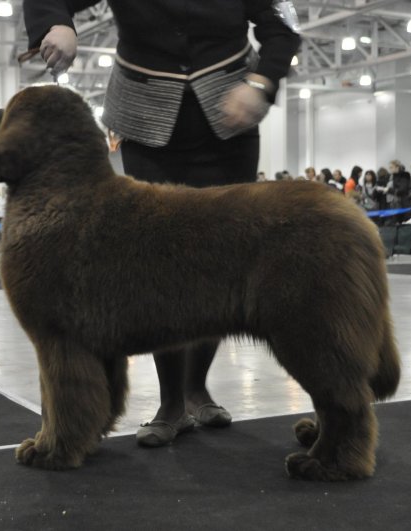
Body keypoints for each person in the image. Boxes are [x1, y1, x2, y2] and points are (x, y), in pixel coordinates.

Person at [24, 0, 300, 447]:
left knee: (222, 267)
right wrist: (56, 24)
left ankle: (197, 388)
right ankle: (171, 401)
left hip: (231, 120)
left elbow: (282, 28)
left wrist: (262, 81)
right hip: (146, 122)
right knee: (157, 270)